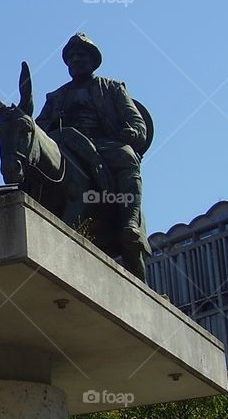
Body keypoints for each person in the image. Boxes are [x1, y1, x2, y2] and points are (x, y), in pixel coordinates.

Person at [35, 32, 150, 280]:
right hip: (65, 146)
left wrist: (131, 132)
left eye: (81, 54)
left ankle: (129, 221)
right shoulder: (55, 97)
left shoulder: (112, 88)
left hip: (103, 145)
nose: (76, 59)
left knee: (127, 158)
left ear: (93, 60)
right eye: (71, 56)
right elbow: (38, 131)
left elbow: (137, 123)